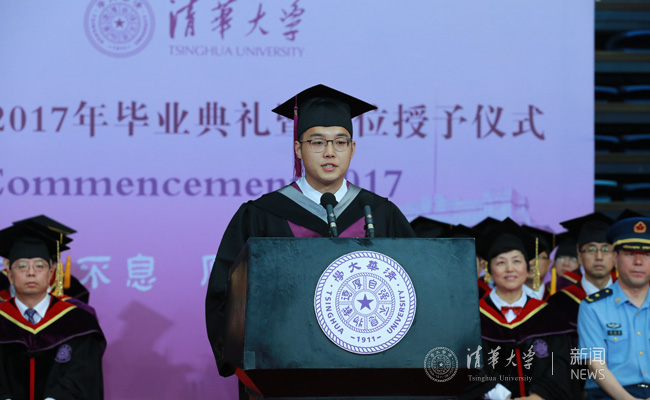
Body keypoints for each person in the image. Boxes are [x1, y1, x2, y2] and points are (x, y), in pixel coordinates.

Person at [205, 84, 415, 390]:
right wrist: (244, 362)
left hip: (370, 370)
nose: (330, 152)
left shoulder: (381, 213)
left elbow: (414, 288)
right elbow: (226, 292)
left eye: (340, 142)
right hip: (283, 371)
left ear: (352, 149)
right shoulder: (262, 214)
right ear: (298, 149)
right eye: (317, 142)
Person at [464, 218, 573, 400]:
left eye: (516, 261)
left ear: (527, 267)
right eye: (500, 262)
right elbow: (467, 367)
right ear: (489, 269)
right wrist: (501, 396)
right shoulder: (472, 317)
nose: (510, 269)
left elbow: (560, 366)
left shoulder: (548, 316)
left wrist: (538, 396)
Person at [0, 222, 106, 400]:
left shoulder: (79, 322)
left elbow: (83, 378)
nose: (31, 272)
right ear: (9, 275)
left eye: (39, 266)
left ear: (51, 273)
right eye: (22, 266)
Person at [577, 217, 650, 400]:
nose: (638, 262)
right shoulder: (593, 307)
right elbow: (596, 365)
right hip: (610, 395)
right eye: (630, 254)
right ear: (615, 258)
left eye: (647, 254)